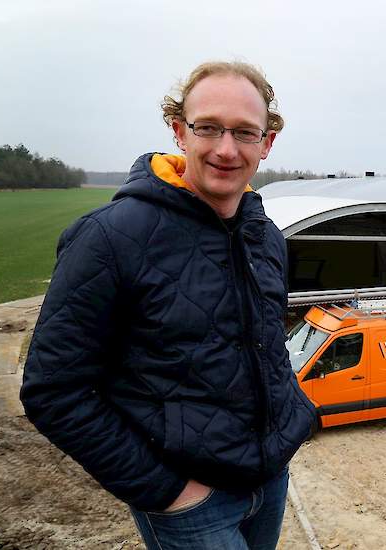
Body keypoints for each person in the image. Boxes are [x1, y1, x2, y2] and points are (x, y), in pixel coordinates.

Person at [20, 61, 317, 549]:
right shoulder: (109, 237)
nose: (226, 148)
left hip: (268, 480)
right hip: (191, 506)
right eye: (209, 128)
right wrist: (168, 493)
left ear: (267, 144)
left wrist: (295, 416)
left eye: (245, 132)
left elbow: (265, 345)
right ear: (180, 131)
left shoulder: (265, 236)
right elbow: (54, 391)